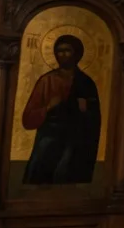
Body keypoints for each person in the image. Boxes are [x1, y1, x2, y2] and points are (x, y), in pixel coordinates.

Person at [22, 35, 101, 185]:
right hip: (48, 141)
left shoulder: (86, 83)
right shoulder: (47, 80)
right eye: (59, 51)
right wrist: (49, 107)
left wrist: (85, 110)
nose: (62, 55)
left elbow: (95, 120)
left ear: (77, 54)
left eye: (67, 51)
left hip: (75, 142)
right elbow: (28, 118)